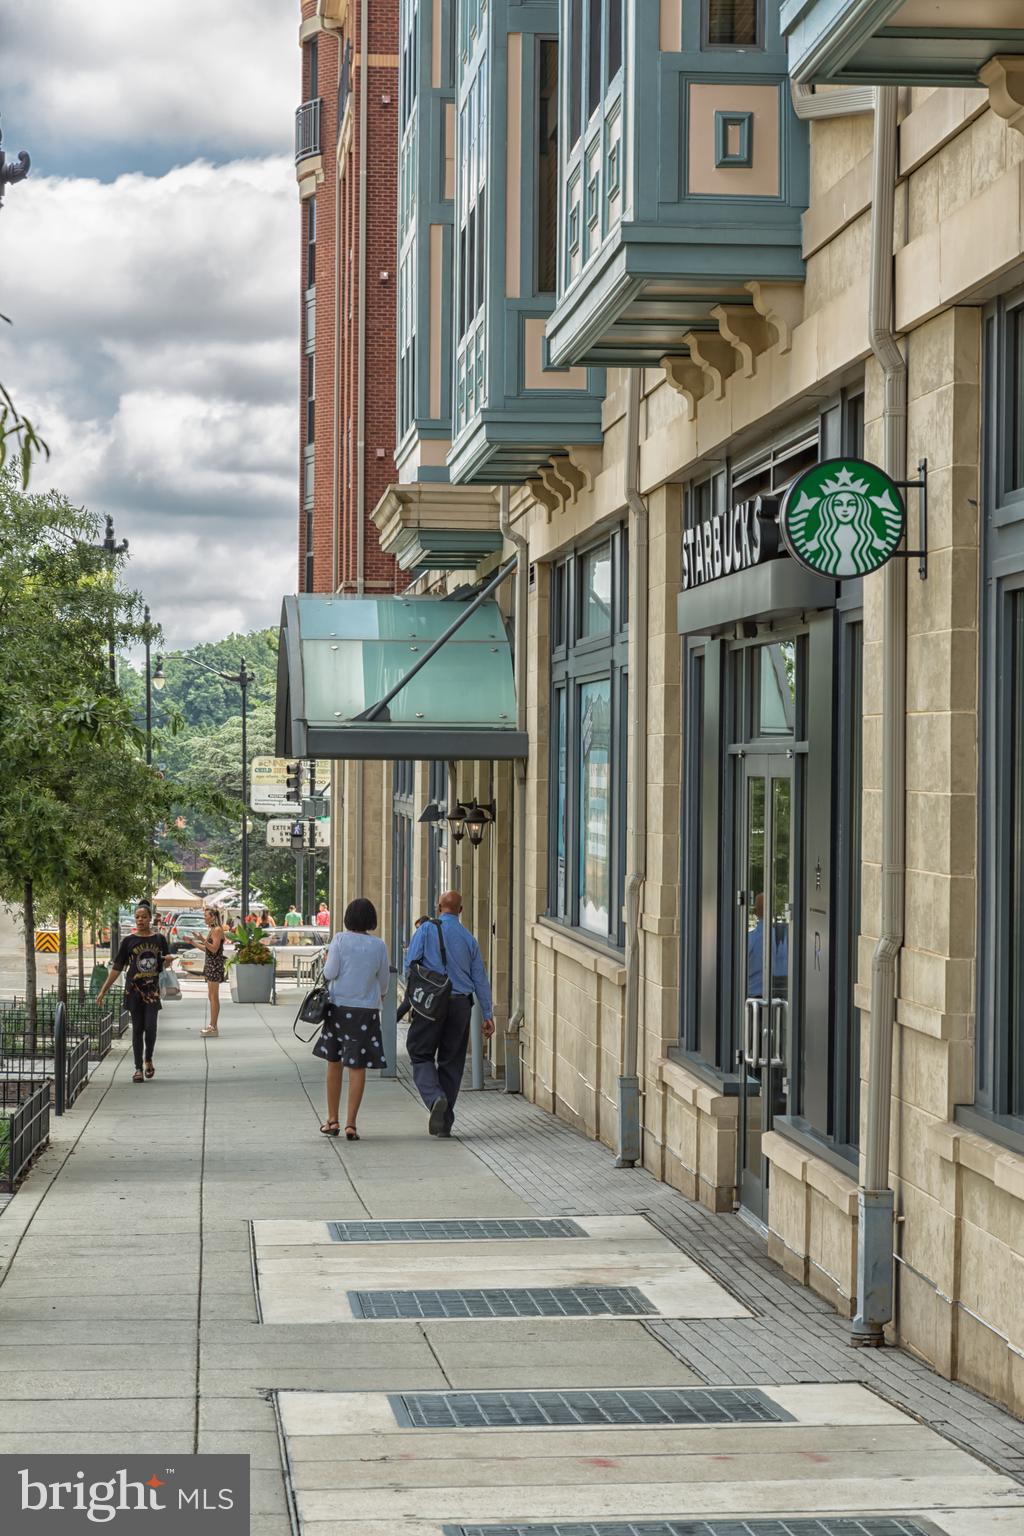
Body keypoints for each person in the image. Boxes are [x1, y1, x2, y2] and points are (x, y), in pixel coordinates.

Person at [403, 891, 494, 1138]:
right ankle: (444, 1123)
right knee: (452, 1062)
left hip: (433, 1003)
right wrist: (488, 1013)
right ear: (461, 910)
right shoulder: (468, 939)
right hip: (461, 1005)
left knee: (420, 1052)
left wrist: (411, 998)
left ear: (438, 907)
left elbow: (409, 965)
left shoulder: (426, 930)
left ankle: (435, 1099)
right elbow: (480, 979)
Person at [315, 897, 390, 1140]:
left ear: (348, 918)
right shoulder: (379, 946)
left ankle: (332, 1119)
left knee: (334, 1061)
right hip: (366, 1010)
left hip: (338, 1007)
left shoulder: (339, 940)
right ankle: (351, 1124)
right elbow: (384, 983)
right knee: (357, 1066)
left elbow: (330, 972)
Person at [96, 902, 173, 1082]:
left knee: (151, 1028)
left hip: (152, 991)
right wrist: (103, 990)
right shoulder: (128, 941)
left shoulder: (159, 940)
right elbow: (117, 968)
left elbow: (163, 965)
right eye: (137, 917)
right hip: (133, 990)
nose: (140, 920)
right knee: (137, 1029)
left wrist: (168, 960)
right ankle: (138, 1068)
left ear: (150, 918)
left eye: (144, 917)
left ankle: (148, 1059)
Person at [190, 906, 226, 1037]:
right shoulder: (213, 930)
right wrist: (193, 943)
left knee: (214, 996)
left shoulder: (216, 930)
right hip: (211, 964)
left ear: (213, 917)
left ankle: (214, 1026)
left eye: (206, 916)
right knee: (211, 996)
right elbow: (208, 949)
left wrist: (202, 939)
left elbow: (214, 949)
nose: (204, 918)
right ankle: (212, 1025)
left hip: (215, 965)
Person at [396, 917, 429, 1023]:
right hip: (418, 977)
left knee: (408, 1003)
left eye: (419, 928)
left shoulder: (424, 937)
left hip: (421, 978)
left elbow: (411, 960)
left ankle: (391, 1022)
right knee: (408, 1002)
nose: (417, 930)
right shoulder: (422, 937)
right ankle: (391, 1023)